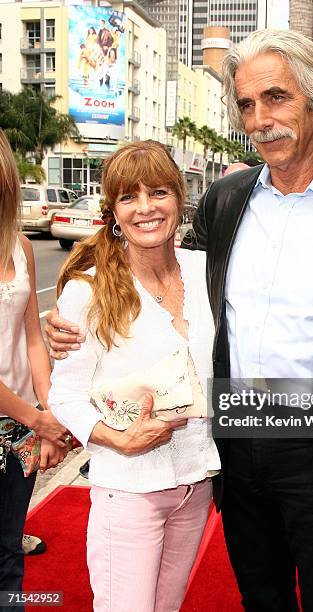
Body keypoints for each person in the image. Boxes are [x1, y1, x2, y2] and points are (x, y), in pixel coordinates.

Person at [46, 30, 313, 612]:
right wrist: (73, 303)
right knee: (262, 600)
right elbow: (159, 265)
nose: (259, 119)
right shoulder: (225, 202)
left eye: (276, 98)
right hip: (235, 451)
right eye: (246, 104)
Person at [47, 141, 220, 612]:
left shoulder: (208, 272)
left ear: (180, 199)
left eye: (158, 192)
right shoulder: (91, 289)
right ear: (114, 211)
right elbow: (64, 394)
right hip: (129, 487)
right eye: (129, 197)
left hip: (197, 480)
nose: (146, 208)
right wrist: (116, 439)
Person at [0, 129, 68, 612]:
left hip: (21, 427)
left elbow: (31, 339)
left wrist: (49, 414)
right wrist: (37, 418)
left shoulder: (20, 246)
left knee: (8, 553)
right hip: (22, 418)